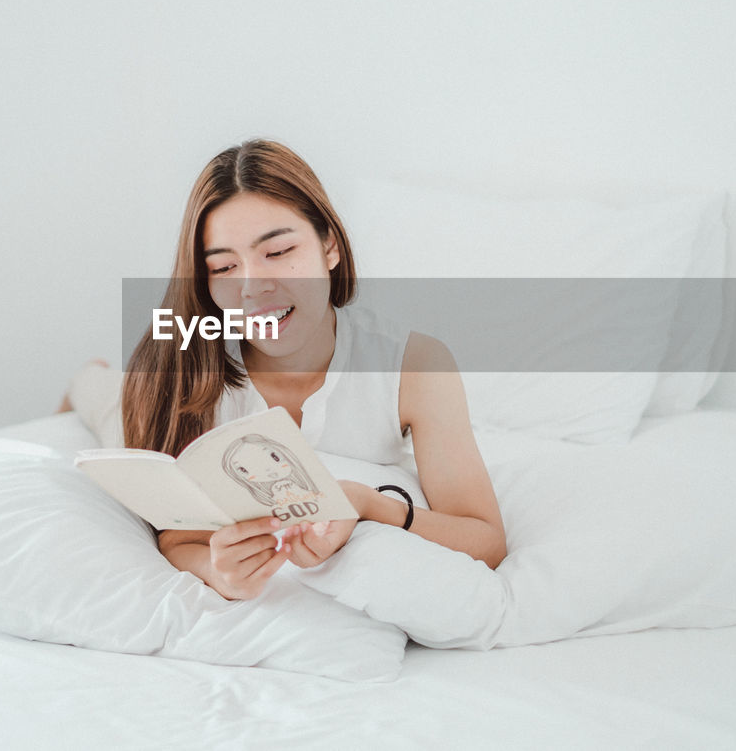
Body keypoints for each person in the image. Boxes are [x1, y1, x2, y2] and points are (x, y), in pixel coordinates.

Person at [65, 139, 505, 600]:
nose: (253, 287)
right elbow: (177, 535)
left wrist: (370, 505)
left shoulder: (414, 366)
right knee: (103, 402)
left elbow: (486, 540)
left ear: (329, 246)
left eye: (277, 253)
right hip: (141, 391)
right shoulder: (181, 365)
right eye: (225, 266)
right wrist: (216, 571)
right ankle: (85, 377)